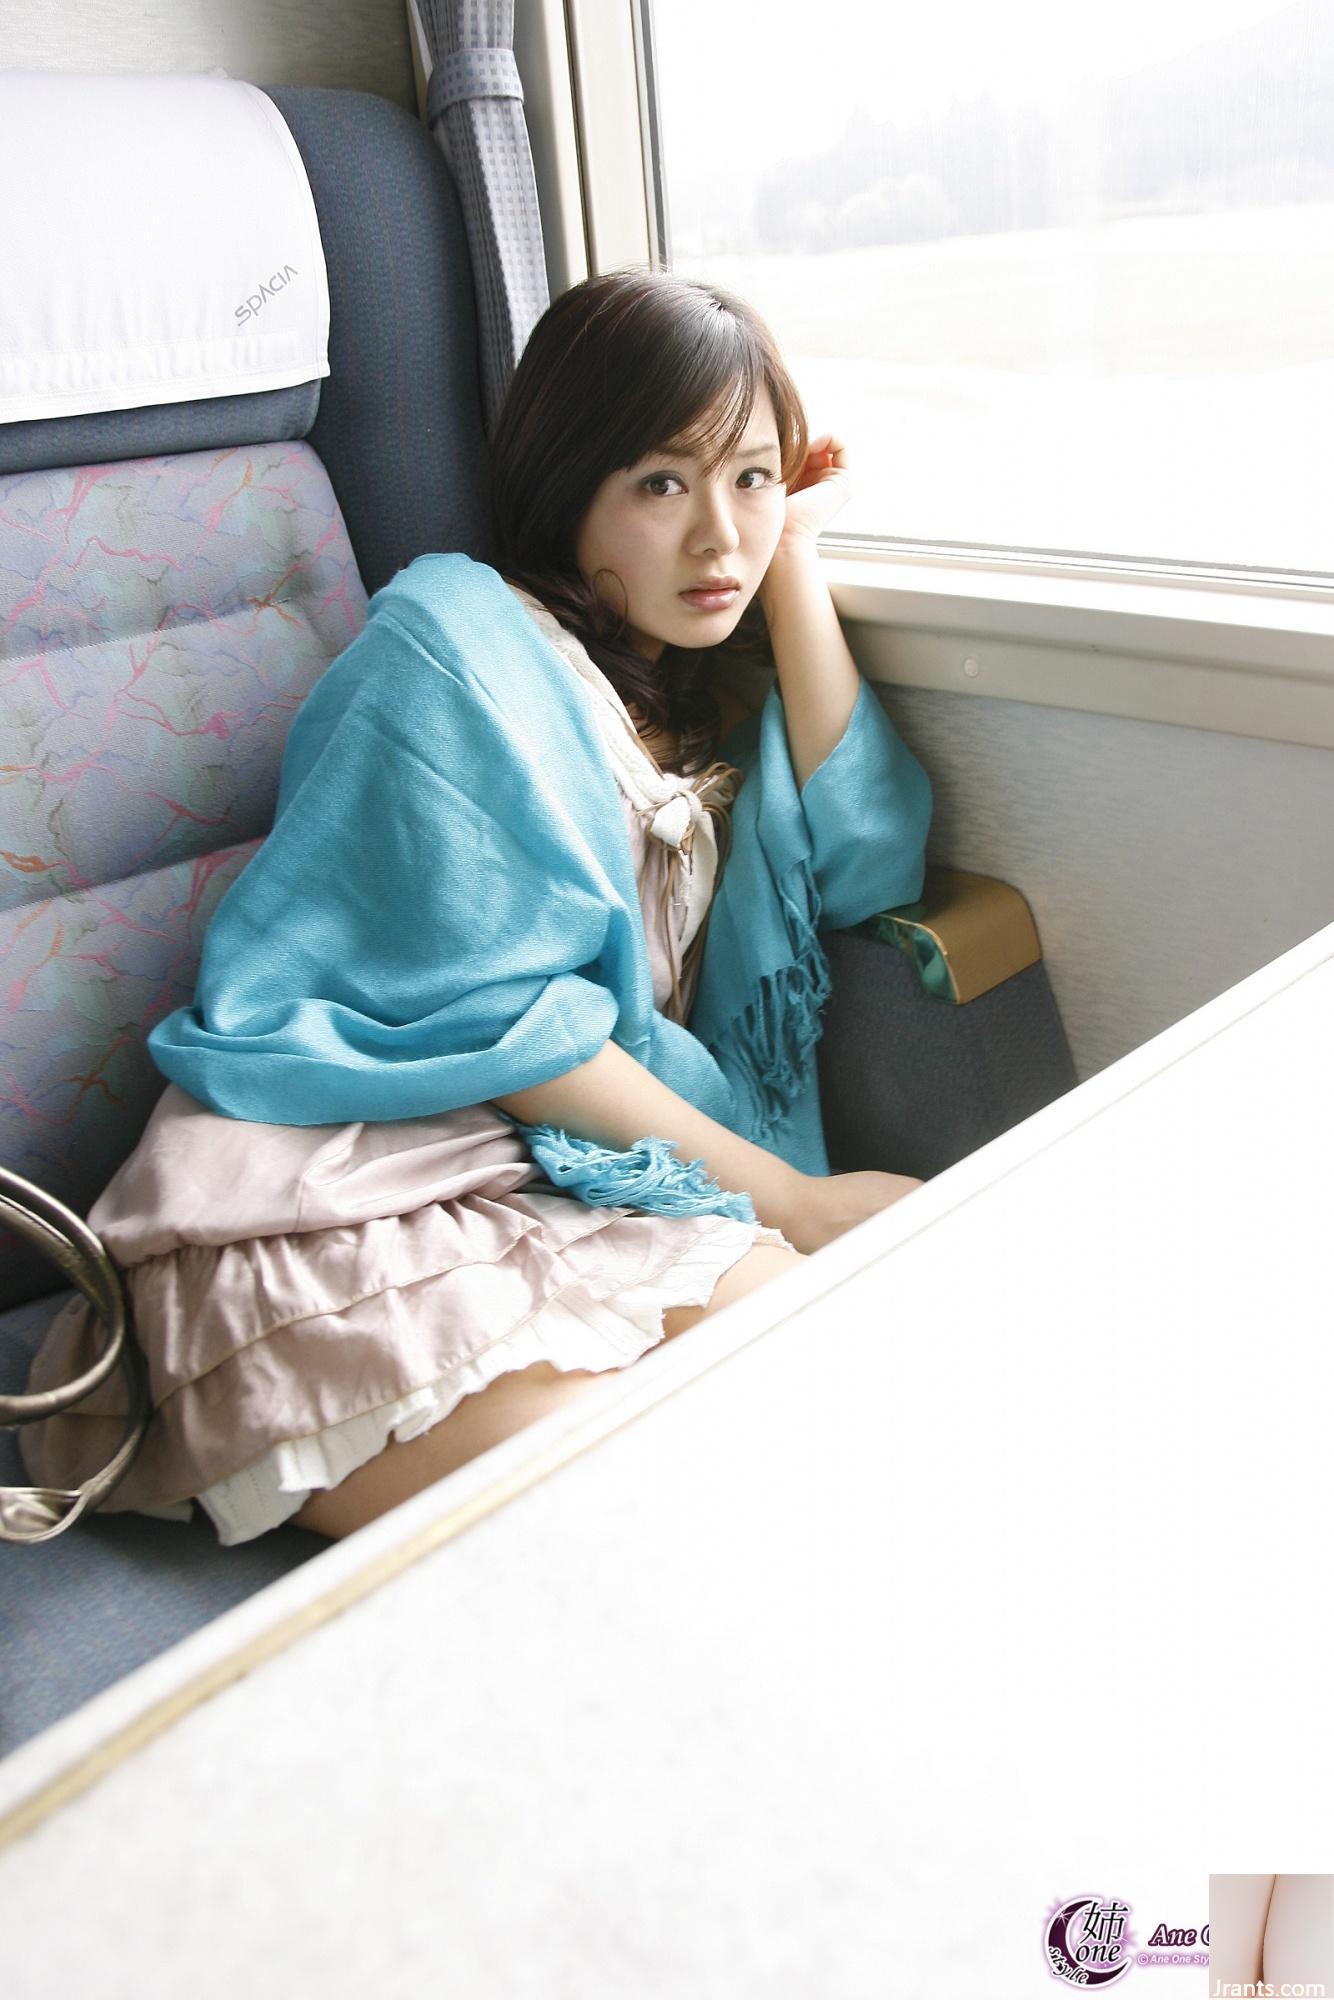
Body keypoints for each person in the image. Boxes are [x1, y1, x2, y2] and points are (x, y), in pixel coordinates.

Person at [20, 268, 933, 1546]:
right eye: (660, 484)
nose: (717, 538)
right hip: (338, 1170)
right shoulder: (452, 644)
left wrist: (797, 562)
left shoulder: (680, 680)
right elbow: (499, 1014)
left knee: (803, 1362)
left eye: (751, 477)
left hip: (544, 1161)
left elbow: (862, 852)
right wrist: (790, 1193)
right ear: (567, 487)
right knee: (628, 1499)